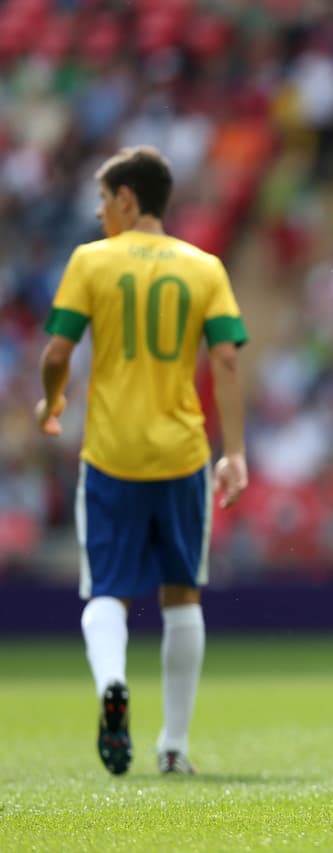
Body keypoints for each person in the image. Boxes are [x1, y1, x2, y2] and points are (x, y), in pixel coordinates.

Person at [36, 146, 249, 776]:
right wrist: (233, 452)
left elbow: (56, 352)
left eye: (105, 201)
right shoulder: (204, 267)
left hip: (110, 452)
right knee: (182, 594)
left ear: (129, 198)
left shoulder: (91, 262)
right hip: (182, 453)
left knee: (107, 589)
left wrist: (52, 405)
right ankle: (174, 746)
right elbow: (229, 360)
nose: (101, 213)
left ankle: (111, 684)